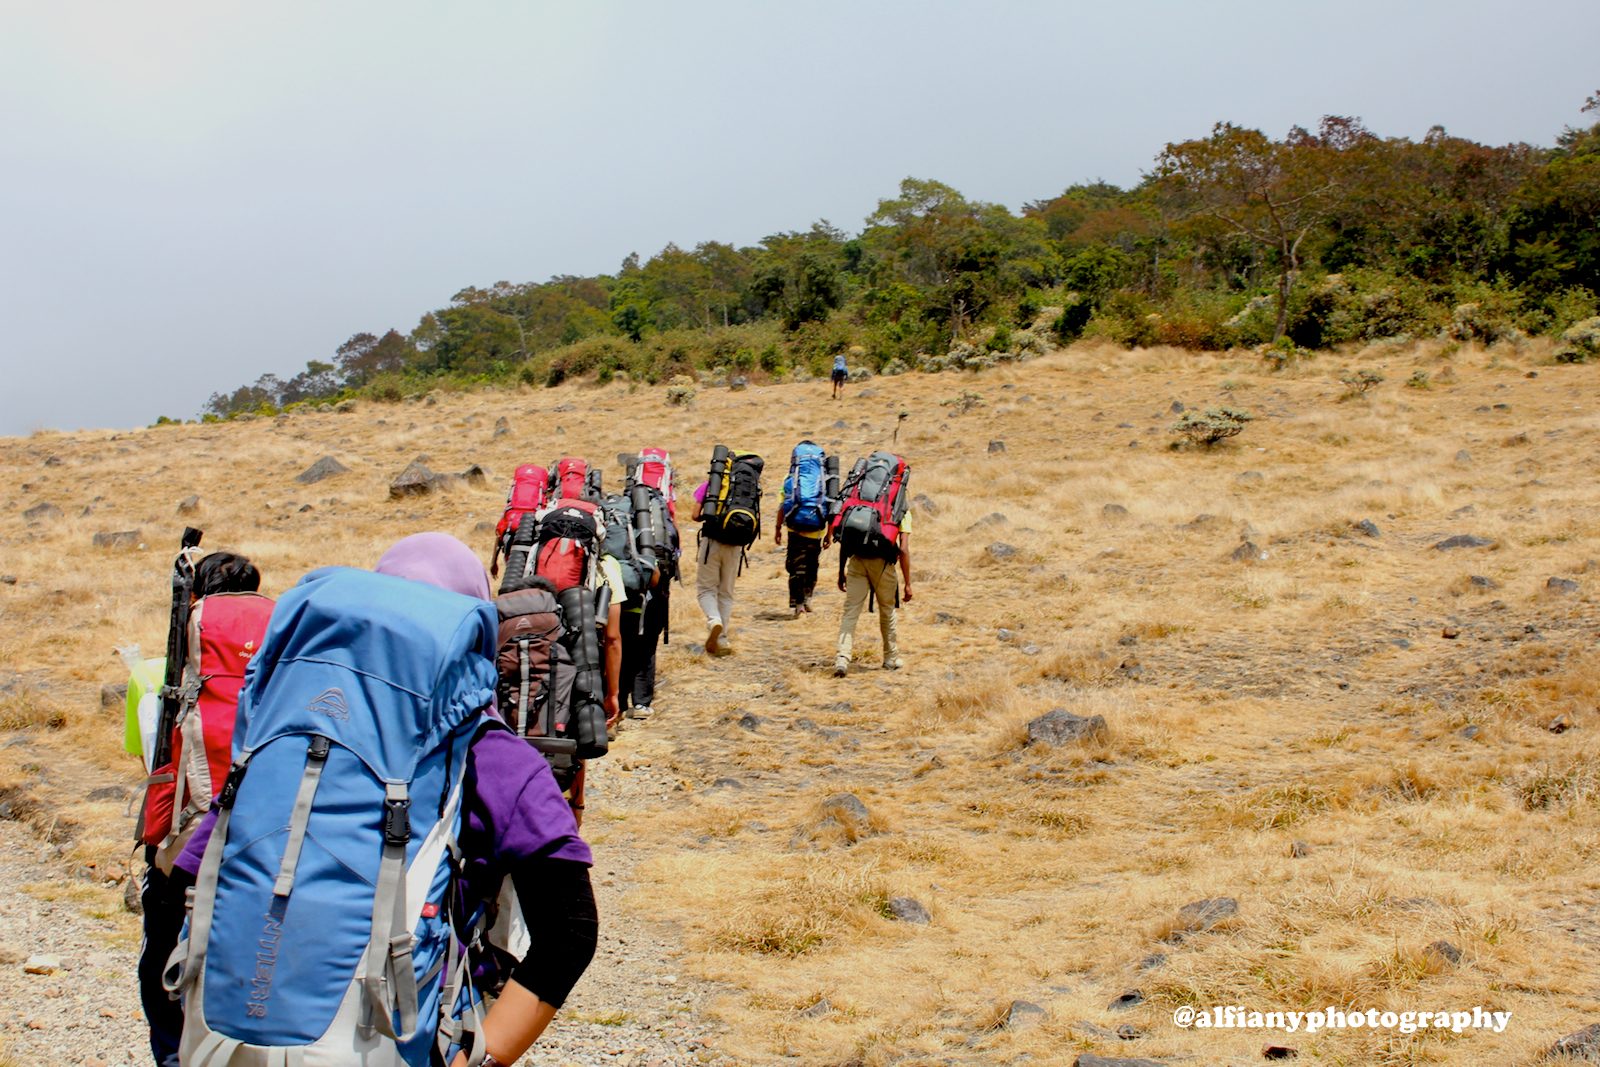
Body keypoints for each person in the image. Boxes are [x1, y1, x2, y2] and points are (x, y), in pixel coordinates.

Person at [171, 534, 597, 1067]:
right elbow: (570, 933)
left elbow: (185, 887)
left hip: (229, 1032)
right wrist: (483, 1057)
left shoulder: (290, 738)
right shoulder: (498, 759)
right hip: (395, 1037)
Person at [134, 551, 268, 1067]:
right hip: (259, 836)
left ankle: (172, 1054)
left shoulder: (159, 677)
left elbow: (146, 754)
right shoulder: (275, 662)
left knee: (164, 956)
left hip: (182, 842)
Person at [834, 508, 913, 676]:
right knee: (887, 610)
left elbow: (846, 539)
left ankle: (842, 657)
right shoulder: (900, 509)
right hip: (883, 565)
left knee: (851, 612)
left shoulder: (861, 504)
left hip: (857, 561)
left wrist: (841, 571)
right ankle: (890, 658)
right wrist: (907, 583)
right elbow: (904, 549)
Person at [774, 444, 829, 617]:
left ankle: (798, 605)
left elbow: (783, 506)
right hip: (816, 529)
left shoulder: (790, 478)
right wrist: (830, 534)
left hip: (794, 528)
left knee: (796, 565)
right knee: (812, 564)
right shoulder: (824, 478)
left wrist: (777, 528)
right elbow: (831, 505)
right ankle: (807, 597)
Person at [691, 479, 741, 655]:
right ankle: (723, 639)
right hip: (735, 545)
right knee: (726, 592)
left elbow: (695, 515)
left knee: (706, 589)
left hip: (712, 542)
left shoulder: (711, 482)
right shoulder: (745, 486)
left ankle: (714, 621)